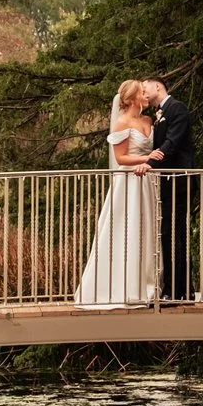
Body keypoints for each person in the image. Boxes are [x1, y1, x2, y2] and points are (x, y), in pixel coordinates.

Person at [75, 78, 162, 306]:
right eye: (142, 92)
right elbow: (121, 157)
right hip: (130, 181)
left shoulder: (148, 119)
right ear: (133, 98)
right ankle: (122, 286)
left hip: (148, 182)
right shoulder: (121, 123)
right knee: (128, 227)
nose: (146, 94)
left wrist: (151, 162)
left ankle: (148, 284)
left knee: (148, 228)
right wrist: (147, 158)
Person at [147, 79, 198, 300]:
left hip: (180, 181)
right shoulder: (157, 115)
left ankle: (175, 290)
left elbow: (172, 143)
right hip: (167, 182)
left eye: (144, 88)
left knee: (173, 233)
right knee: (172, 234)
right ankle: (184, 289)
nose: (143, 92)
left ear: (157, 86)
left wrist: (149, 164)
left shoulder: (177, 108)